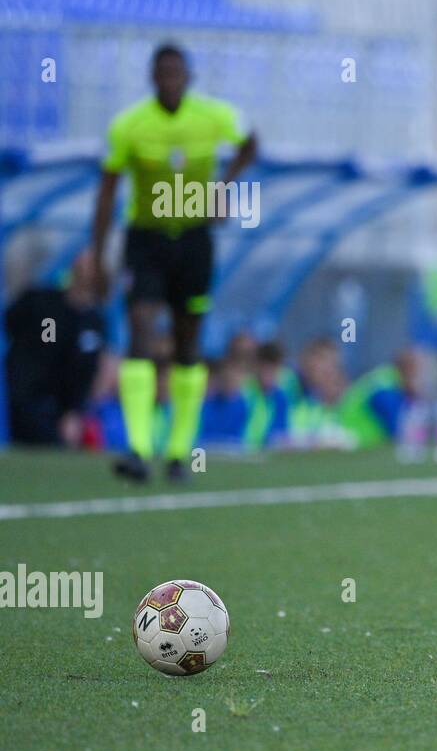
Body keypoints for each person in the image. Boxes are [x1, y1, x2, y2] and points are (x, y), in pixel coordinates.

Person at [90, 42, 258, 483]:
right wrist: (97, 252)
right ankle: (139, 449)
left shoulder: (213, 116)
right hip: (145, 239)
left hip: (193, 241)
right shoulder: (129, 125)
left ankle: (180, 452)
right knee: (141, 332)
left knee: (188, 344)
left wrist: (223, 186)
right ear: (152, 77)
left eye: (176, 71)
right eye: (162, 71)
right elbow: (107, 188)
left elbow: (251, 141)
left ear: (188, 77)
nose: (169, 79)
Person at [3, 250, 105, 446]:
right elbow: (12, 322)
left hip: (61, 408)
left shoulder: (94, 322)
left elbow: (88, 370)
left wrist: (74, 411)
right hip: (26, 398)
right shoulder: (43, 303)